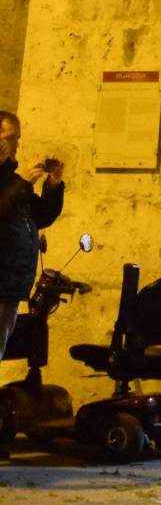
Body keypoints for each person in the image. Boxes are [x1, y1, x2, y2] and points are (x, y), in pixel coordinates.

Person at [0, 111, 64, 364]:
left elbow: (41, 216)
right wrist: (23, 184)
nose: (16, 144)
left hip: (10, 285)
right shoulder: (16, 183)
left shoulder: (12, 180)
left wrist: (53, 187)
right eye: (10, 137)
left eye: (17, 138)